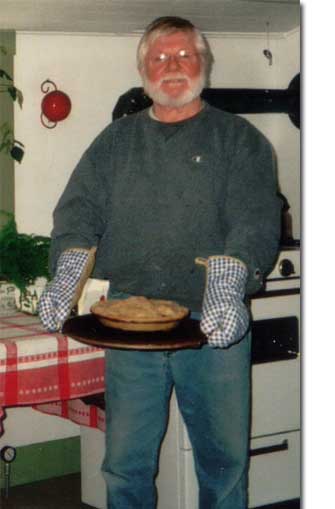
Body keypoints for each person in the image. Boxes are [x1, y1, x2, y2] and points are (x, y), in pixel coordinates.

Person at [37, 16, 281, 508]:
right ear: (143, 70)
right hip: (127, 322)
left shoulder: (241, 140)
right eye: (160, 58)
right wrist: (66, 275)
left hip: (209, 324)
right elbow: (77, 211)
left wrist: (228, 284)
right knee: (125, 467)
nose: (172, 67)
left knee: (224, 467)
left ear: (204, 65)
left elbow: (253, 219)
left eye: (184, 56)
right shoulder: (115, 142)